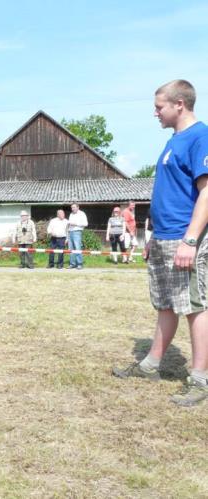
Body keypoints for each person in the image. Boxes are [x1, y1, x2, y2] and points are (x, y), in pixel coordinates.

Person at [112, 79, 208, 407]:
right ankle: (151, 365)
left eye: (159, 106)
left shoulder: (200, 137)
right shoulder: (173, 141)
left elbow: (206, 192)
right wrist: (154, 237)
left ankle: (199, 380)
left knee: (196, 307)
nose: (155, 113)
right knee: (165, 303)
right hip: (165, 238)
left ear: (179, 104)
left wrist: (190, 240)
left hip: (186, 238)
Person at [68, 203, 88, 269]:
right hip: (70, 231)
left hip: (77, 232)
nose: (72, 209)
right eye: (72, 207)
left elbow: (86, 224)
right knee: (71, 249)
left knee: (77, 248)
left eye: (74, 207)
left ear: (78, 207)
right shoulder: (71, 214)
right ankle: (72, 264)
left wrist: (76, 224)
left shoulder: (82, 213)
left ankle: (79, 264)